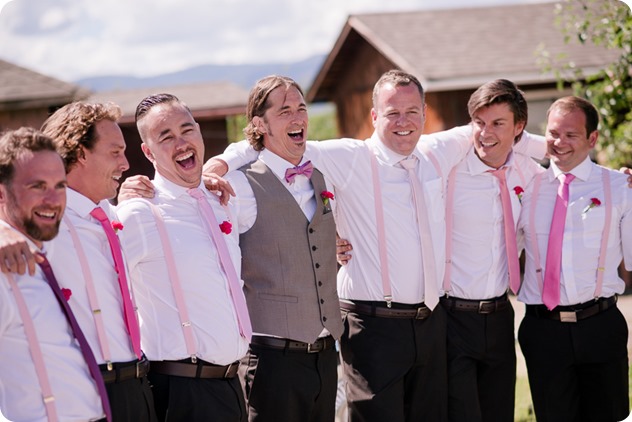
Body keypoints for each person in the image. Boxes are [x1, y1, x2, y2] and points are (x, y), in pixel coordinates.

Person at [207, 70, 518, 421]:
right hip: (372, 326)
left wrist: (558, 149)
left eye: (412, 111)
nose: (404, 122)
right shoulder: (349, 157)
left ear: (424, 112)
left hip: (432, 324)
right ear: (374, 116)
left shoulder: (435, 151)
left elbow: (492, 130)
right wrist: (221, 162)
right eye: (392, 113)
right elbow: (268, 141)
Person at [0, 102, 157, 422]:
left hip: (136, 385)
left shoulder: (108, 214)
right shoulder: (44, 222)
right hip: (87, 390)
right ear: (81, 153)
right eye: (115, 152)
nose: (126, 163)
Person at [116, 93, 251, 421]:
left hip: (232, 384)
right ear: (148, 152)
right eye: (166, 137)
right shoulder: (139, 214)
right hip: (181, 391)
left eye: (187, 130)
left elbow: (257, 145)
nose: (181, 142)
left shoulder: (221, 199)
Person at [517, 96, 630, 422]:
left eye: (571, 135)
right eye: (553, 133)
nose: (559, 143)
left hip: (601, 326)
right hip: (543, 330)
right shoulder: (526, 185)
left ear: (592, 139)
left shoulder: (620, 187)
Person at [0, 127, 107, 421]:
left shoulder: (44, 256)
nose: (53, 198)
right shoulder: (4, 274)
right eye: (37, 186)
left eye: (60, 185)